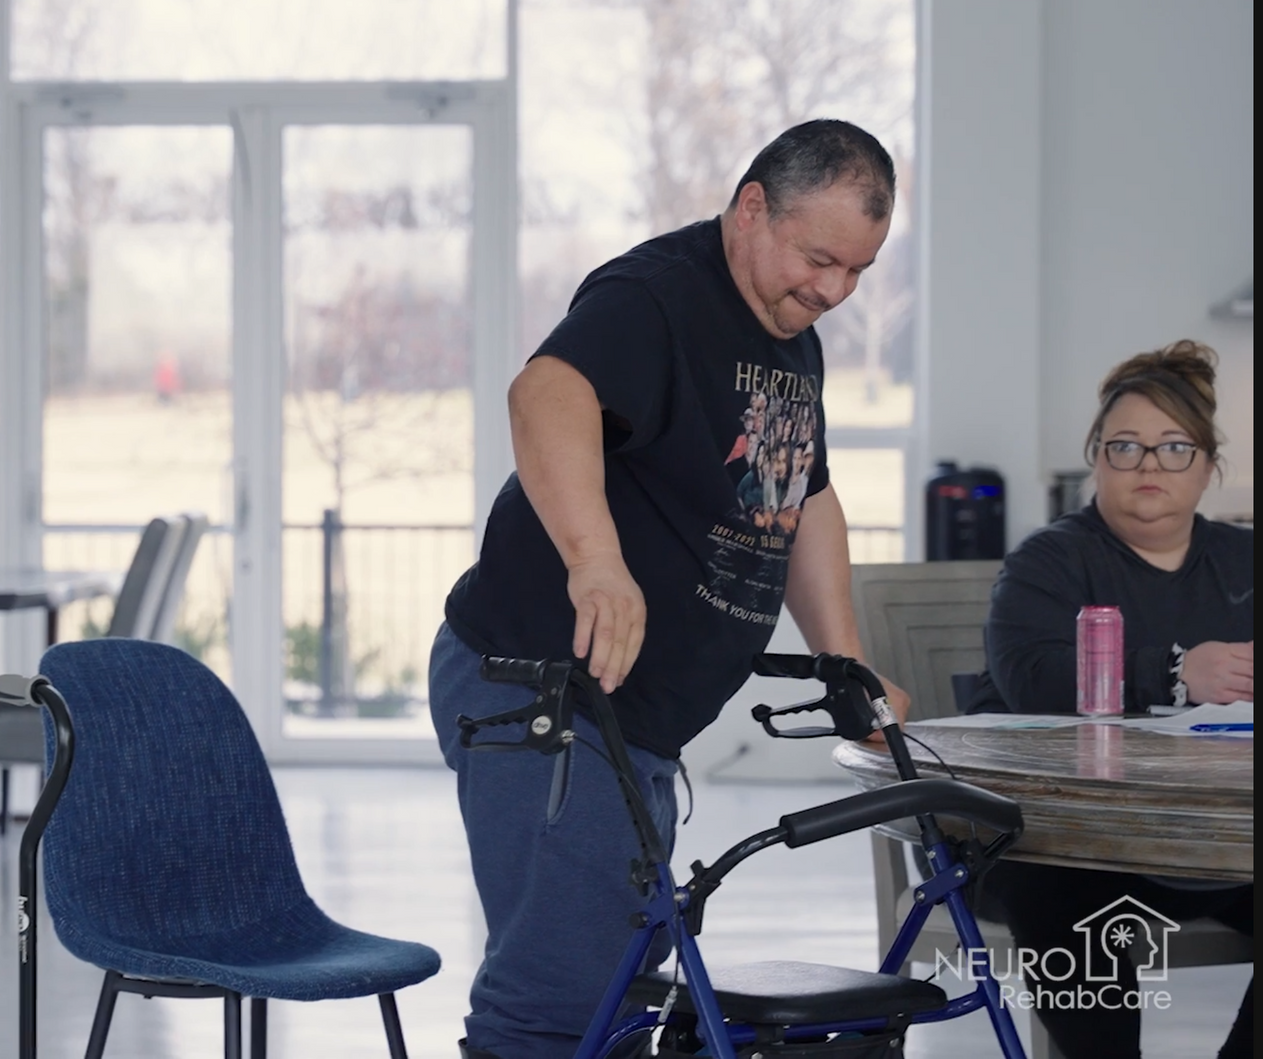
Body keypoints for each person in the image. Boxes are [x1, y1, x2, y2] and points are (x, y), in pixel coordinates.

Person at [431, 119, 911, 1059]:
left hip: (633, 720)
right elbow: (546, 393)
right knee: (558, 1008)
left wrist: (844, 659)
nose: (832, 291)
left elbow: (803, 497)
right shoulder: (658, 296)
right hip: (543, 691)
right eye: (819, 259)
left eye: (856, 272)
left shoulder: (787, 332)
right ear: (750, 209)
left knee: (619, 998)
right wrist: (595, 559)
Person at [965, 341, 1253, 1059]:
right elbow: (1033, 677)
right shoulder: (1049, 561)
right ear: (1096, 457)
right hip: (1064, 842)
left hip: (1214, 842)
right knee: (1059, 890)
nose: (1149, 465)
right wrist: (1179, 671)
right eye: (1125, 446)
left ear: (1210, 465)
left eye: (1173, 447)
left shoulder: (1244, 561)